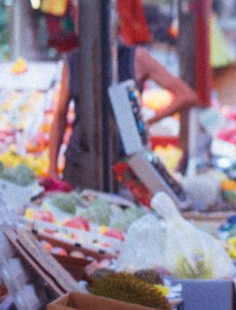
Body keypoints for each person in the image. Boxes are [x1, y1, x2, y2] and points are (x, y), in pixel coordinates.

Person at [47, 10, 200, 186]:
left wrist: (148, 122)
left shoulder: (135, 58)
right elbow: (60, 117)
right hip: (79, 161)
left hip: (126, 164)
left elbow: (187, 96)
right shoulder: (72, 60)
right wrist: (52, 169)